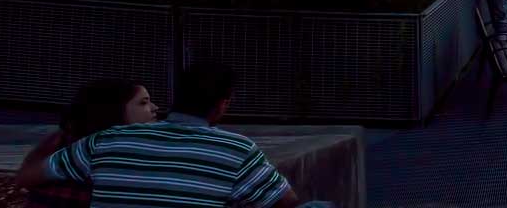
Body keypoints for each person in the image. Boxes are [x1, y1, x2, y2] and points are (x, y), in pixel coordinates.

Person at [18, 62, 304, 208]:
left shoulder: (105, 141)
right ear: (223, 103)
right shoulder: (236, 149)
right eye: (143, 102)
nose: (152, 108)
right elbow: (286, 202)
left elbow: (28, 176)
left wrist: (60, 135)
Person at [20, 79, 160, 207]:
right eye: (143, 102)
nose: (155, 107)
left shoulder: (64, 142)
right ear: (113, 110)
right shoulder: (102, 152)